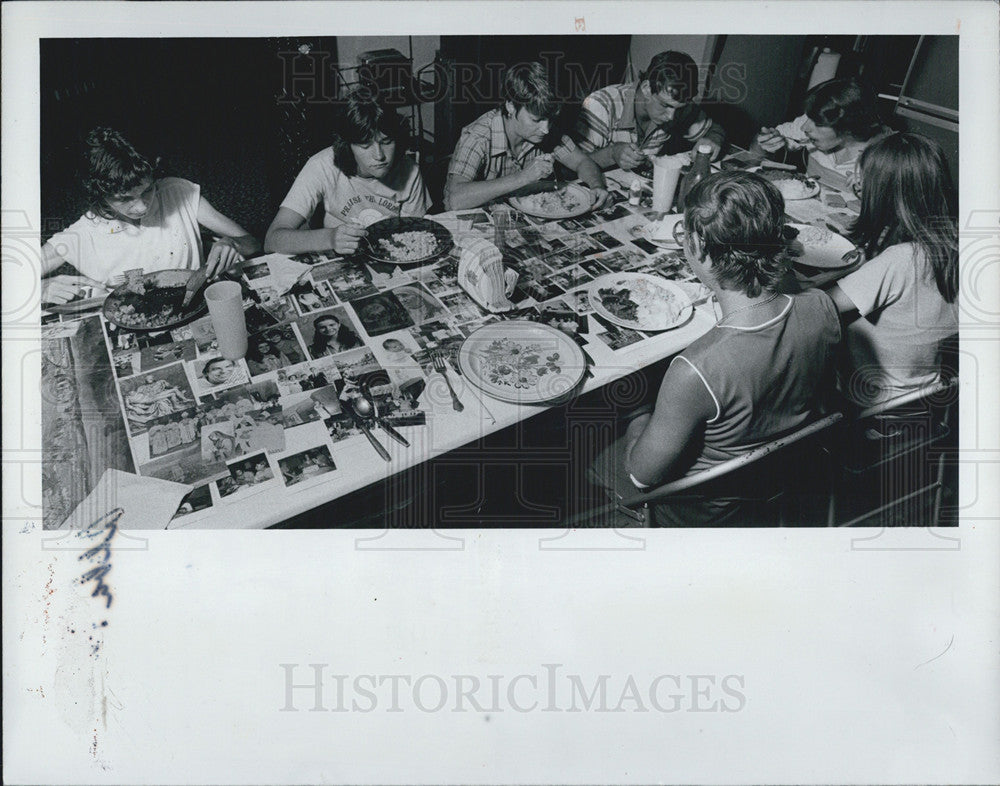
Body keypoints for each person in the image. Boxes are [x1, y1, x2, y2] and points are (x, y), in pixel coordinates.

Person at [595, 171, 841, 525]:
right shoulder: (821, 306)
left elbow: (640, 475)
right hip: (777, 482)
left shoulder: (694, 370)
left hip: (698, 511)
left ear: (700, 251)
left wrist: (636, 414)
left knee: (588, 454)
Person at [41, 128, 261, 304]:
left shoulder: (178, 192)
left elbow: (252, 244)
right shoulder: (84, 234)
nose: (141, 207)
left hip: (196, 305)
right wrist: (39, 289)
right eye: (124, 199)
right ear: (100, 196)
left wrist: (230, 243)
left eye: (147, 190)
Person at [824, 133, 958, 406]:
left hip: (867, 397)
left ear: (884, 193)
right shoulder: (955, 243)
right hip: (922, 391)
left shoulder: (899, 260)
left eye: (866, 184)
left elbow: (820, 307)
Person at [265, 89, 430, 256]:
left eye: (387, 142)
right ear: (347, 146)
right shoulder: (321, 165)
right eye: (365, 146)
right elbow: (272, 240)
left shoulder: (411, 171)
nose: (379, 156)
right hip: (337, 257)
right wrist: (330, 238)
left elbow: (415, 235)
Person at [444, 62, 609, 210]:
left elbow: (582, 161)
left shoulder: (546, 128)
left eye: (549, 120)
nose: (545, 129)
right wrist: (523, 177)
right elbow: (455, 200)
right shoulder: (477, 137)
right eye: (535, 120)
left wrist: (597, 186)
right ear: (510, 107)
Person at [575, 50, 726, 172]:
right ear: (647, 88)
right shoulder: (601, 105)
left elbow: (714, 129)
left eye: (677, 109)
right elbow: (569, 169)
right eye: (665, 105)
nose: (671, 117)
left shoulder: (676, 106)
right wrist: (611, 153)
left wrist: (714, 139)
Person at [750, 78, 887, 191]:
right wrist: (763, 143)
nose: (804, 127)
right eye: (808, 118)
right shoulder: (811, 122)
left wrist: (873, 195)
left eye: (818, 123)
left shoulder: (888, 157)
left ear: (849, 128)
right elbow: (754, 155)